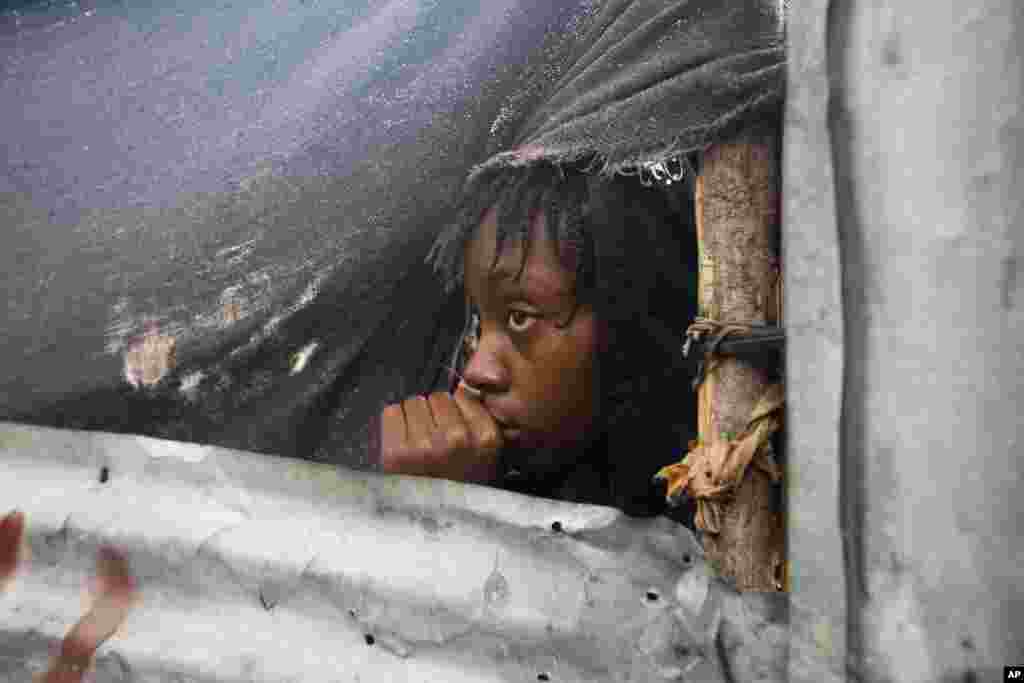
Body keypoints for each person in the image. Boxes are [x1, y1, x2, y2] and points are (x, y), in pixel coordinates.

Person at [379, 161, 699, 521]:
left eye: (520, 318)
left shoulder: (709, 515)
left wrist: (452, 516)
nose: (475, 371)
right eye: (477, 325)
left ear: (629, 321)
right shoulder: (492, 473)